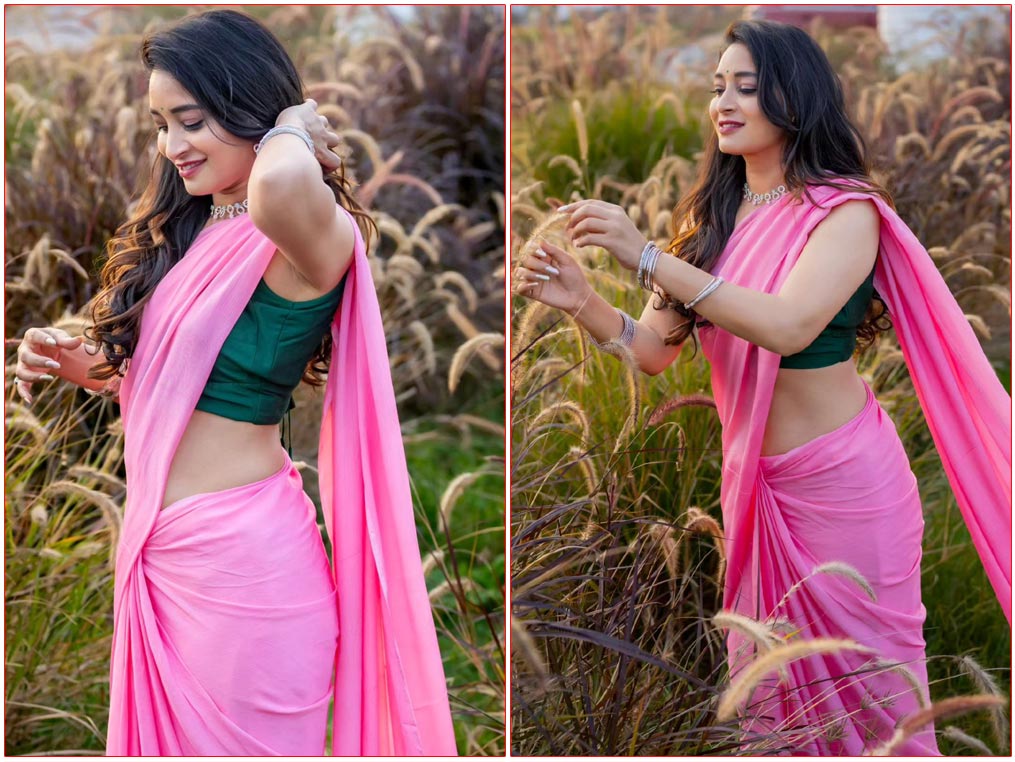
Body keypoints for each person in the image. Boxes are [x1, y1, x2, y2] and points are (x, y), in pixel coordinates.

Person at [514, 19, 1010, 756]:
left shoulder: (843, 212)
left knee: (875, 701)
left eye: (745, 86)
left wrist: (644, 254)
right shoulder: (711, 219)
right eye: (717, 86)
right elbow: (652, 351)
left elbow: (787, 327)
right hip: (756, 491)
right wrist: (583, 301)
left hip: (846, 491)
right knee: (777, 708)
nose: (724, 101)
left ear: (793, 96)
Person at [13, 10, 456, 756]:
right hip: (163, 555)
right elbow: (164, 376)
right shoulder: (194, 231)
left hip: (244, 571)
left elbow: (278, 181)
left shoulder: (302, 226)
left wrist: (290, 125)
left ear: (249, 104)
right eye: (160, 124)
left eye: (190, 120)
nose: (171, 145)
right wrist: (72, 357)